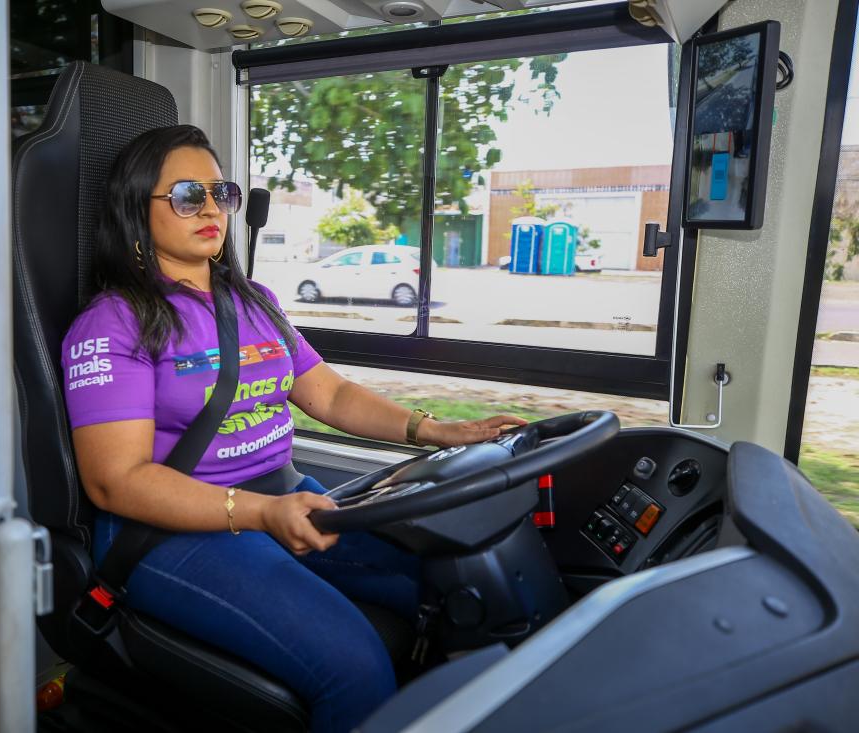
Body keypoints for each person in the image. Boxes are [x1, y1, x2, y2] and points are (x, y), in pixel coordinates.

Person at [61, 124, 526, 733]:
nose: (209, 209)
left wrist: (441, 432)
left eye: (219, 192)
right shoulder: (113, 324)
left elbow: (327, 393)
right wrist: (257, 513)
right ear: (134, 210)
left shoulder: (253, 300)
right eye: (183, 195)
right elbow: (114, 483)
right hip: (171, 534)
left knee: (457, 583)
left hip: (287, 500)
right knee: (354, 667)